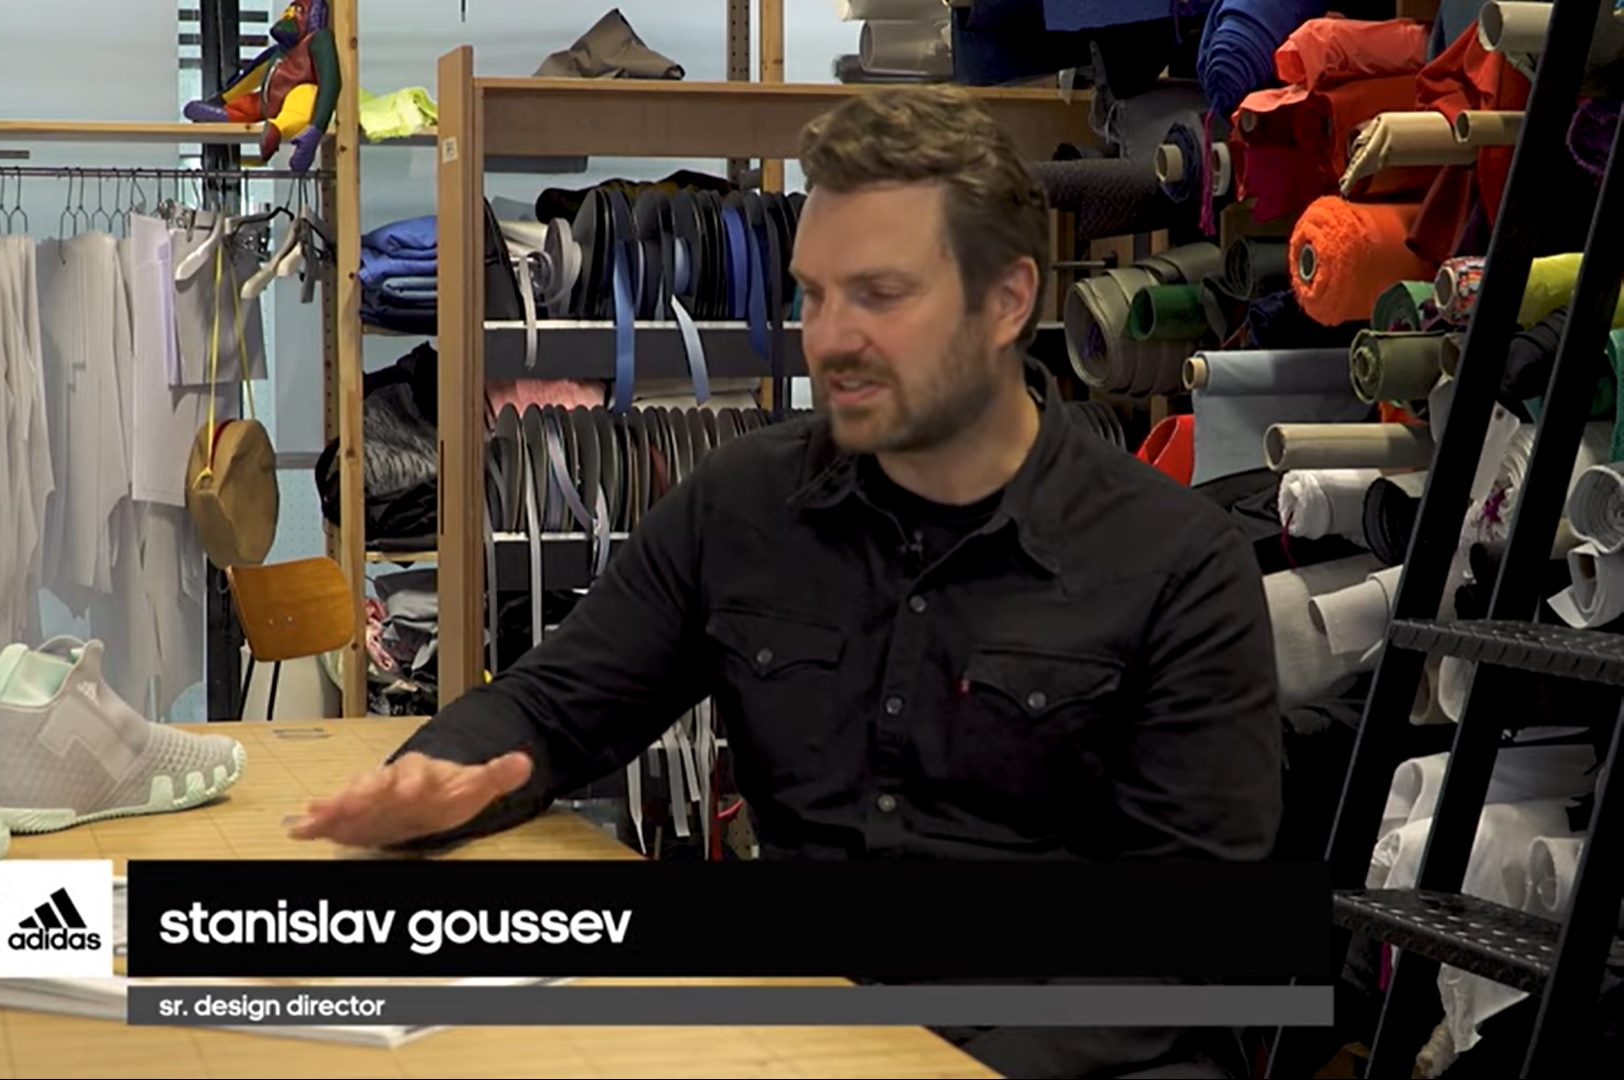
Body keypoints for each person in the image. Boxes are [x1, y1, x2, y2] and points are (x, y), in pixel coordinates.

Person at [291, 85, 1283, 1078]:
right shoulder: (745, 504)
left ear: (1008, 301)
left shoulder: (1176, 566)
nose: (830, 338)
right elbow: (554, 708)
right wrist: (436, 776)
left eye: (879, 294)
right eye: (813, 294)